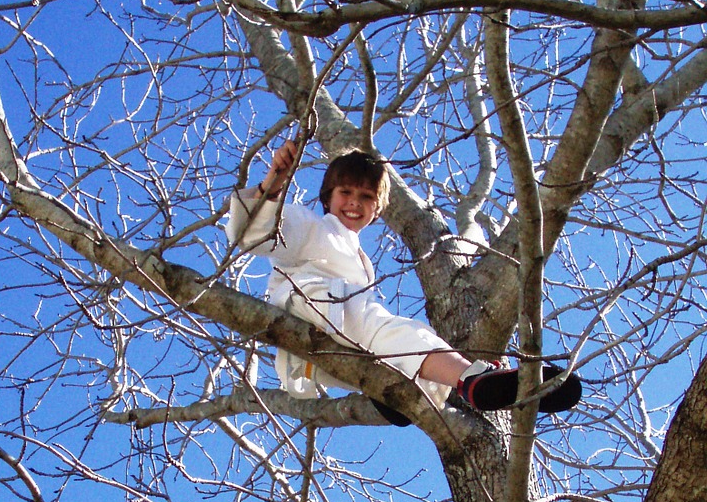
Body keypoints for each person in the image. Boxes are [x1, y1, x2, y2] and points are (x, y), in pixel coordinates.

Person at [227, 141, 581, 425]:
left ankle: (399, 398)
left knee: (410, 364)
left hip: (332, 345)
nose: (354, 203)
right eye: (345, 192)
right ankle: (474, 379)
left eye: (366, 197)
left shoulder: (357, 258)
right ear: (327, 197)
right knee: (395, 332)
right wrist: (273, 180)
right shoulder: (311, 226)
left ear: (377, 208)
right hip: (316, 307)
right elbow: (254, 235)